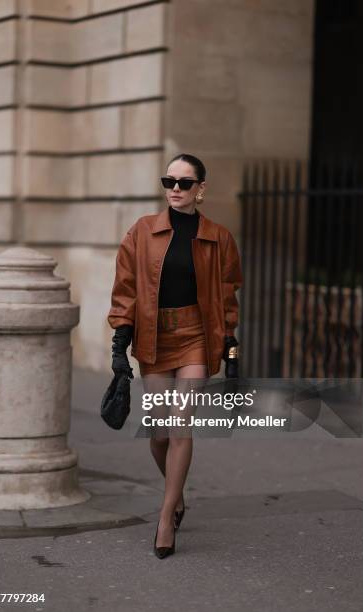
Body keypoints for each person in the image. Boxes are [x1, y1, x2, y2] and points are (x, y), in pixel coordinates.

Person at [107, 153, 243, 558]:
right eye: (170, 182)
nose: (176, 190)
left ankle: (166, 517)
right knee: (159, 431)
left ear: (201, 189)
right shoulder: (142, 232)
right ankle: (177, 494)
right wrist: (119, 343)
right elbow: (126, 289)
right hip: (153, 337)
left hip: (196, 336)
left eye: (185, 183)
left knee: (181, 423)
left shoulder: (219, 237)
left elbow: (227, 297)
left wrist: (230, 349)